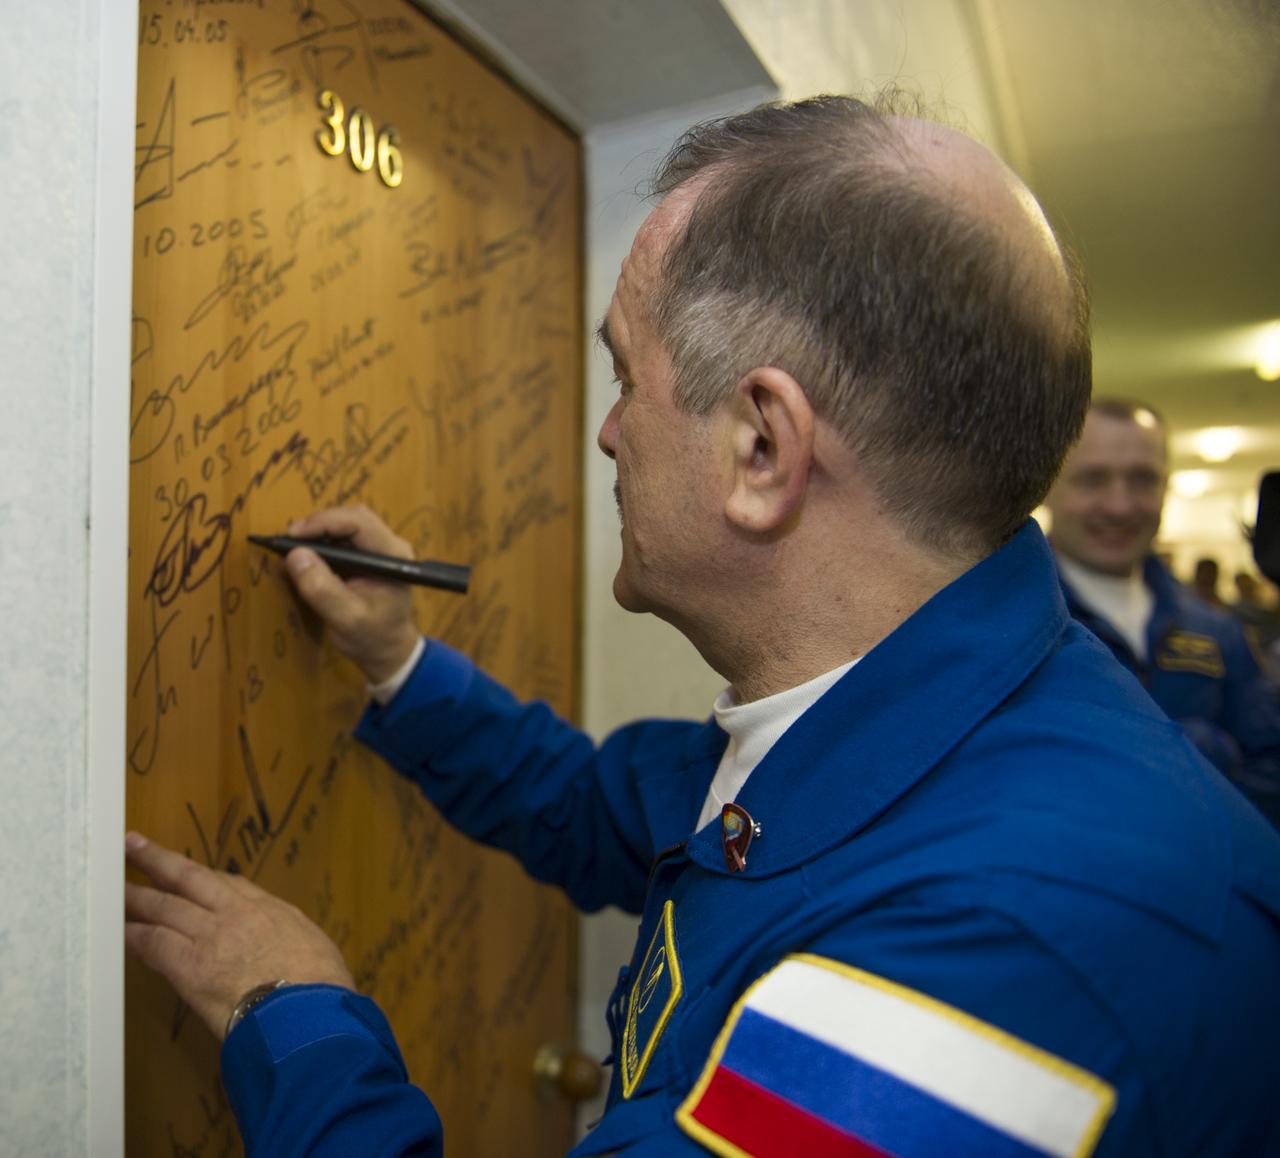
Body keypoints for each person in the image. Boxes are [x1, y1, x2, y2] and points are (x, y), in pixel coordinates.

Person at [125, 95, 1280, 1157]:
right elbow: (596, 809)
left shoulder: (1002, 949)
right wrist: (394, 658)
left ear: (762, 449)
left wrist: (290, 1014)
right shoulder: (910, 714)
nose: (610, 435)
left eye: (626, 379)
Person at [1044, 398, 1280, 827]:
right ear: (1047, 484)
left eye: (1142, 480)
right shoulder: (1013, 623)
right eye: (1093, 479)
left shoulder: (1216, 630)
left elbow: (1268, 766)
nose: (1119, 505)